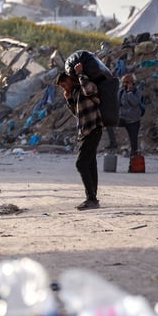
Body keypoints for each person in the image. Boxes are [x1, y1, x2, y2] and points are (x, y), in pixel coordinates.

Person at [57, 64, 103, 210]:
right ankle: (93, 197)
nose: (64, 88)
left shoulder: (86, 84)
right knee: (90, 164)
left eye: (64, 84)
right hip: (85, 131)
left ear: (70, 79)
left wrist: (81, 73)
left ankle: (91, 198)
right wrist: (69, 99)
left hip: (93, 128)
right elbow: (77, 113)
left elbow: (90, 89)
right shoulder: (76, 92)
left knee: (81, 163)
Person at [115, 74, 145, 157]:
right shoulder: (121, 92)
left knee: (133, 142)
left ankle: (133, 161)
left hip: (134, 120)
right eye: (125, 82)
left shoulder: (137, 92)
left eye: (128, 82)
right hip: (123, 117)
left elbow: (135, 103)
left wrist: (130, 92)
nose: (126, 84)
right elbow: (118, 104)